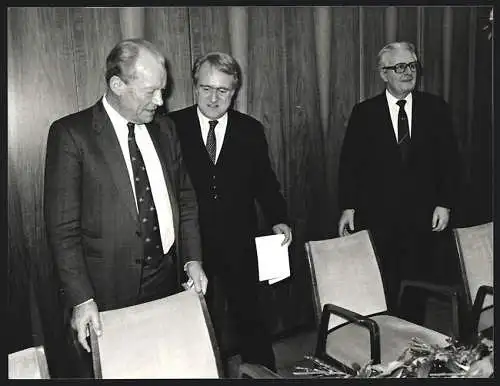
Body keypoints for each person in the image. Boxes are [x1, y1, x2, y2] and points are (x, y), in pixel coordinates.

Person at [44, 38, 207, 377]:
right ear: (117, 85)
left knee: (165, 364)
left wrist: (192, 258)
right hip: (107, 291)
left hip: (166, 279)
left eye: (161, 90)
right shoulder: (72, 135)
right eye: (150, 92)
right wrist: (81, 298)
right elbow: (63, 229)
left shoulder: (166, 129)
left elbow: (186, 199)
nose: (160, 102)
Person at [168, 52, 292, 373]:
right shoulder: (171, 127)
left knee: (250, 316)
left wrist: (279, 218)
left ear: (233, 92)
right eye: (206, 88)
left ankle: (263, 374)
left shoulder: (249, 130)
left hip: (239, 240)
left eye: (222, 90)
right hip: (191, 245)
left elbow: (265, 182)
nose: (213, 97)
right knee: (194, 321)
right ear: (194, 87)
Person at [337, 41, 459, 321]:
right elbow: (350, 164)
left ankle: (412, 344)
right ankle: (385, 342)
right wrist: (348, 207)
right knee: (383, 283)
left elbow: (450, 161)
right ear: (383, 73)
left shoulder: (435, 108)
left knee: (416, 286)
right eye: (399, 67)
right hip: (379, 216)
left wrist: (445, 203)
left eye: (412, 66)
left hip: (423, 215)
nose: (408, 72)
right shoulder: (364, 112)